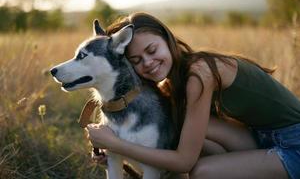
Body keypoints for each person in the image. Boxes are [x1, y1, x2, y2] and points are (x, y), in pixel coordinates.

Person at [86, 12, 300, 179]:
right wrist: (116, 155)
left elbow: (184, 163)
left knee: (201, 173)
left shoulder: (200, 72)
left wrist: (117, 145)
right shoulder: (173, 81)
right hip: (260, 136)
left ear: (167, 39)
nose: (148, 62)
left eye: (152, 50)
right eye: (136, 60)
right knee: (182, 131)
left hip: (295, 144)